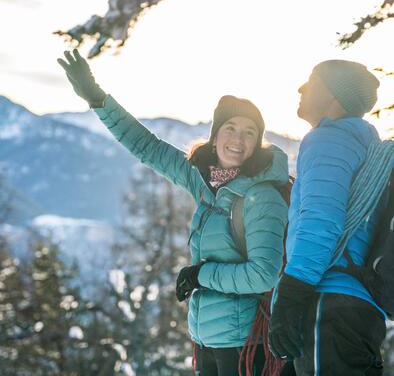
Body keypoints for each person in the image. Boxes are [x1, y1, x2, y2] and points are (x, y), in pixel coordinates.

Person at [57, 50, 289, 375]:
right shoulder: (205, 182)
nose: (238, 139)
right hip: (209, 338)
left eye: (250, 131)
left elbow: (264, 274)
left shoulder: (262, 196)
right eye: (230, 128)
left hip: (246, 344)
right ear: (216, 135)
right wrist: (96, 98)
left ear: (258, 142)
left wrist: (199, 275)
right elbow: (147, 147)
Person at [268, 60, 394, 375]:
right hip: (356, 306)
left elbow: (321, 223)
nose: (301, 88)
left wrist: (292, 294)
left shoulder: (329, 140)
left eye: (312, 81)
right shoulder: (364, 144)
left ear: (334, 94)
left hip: (329, 302)